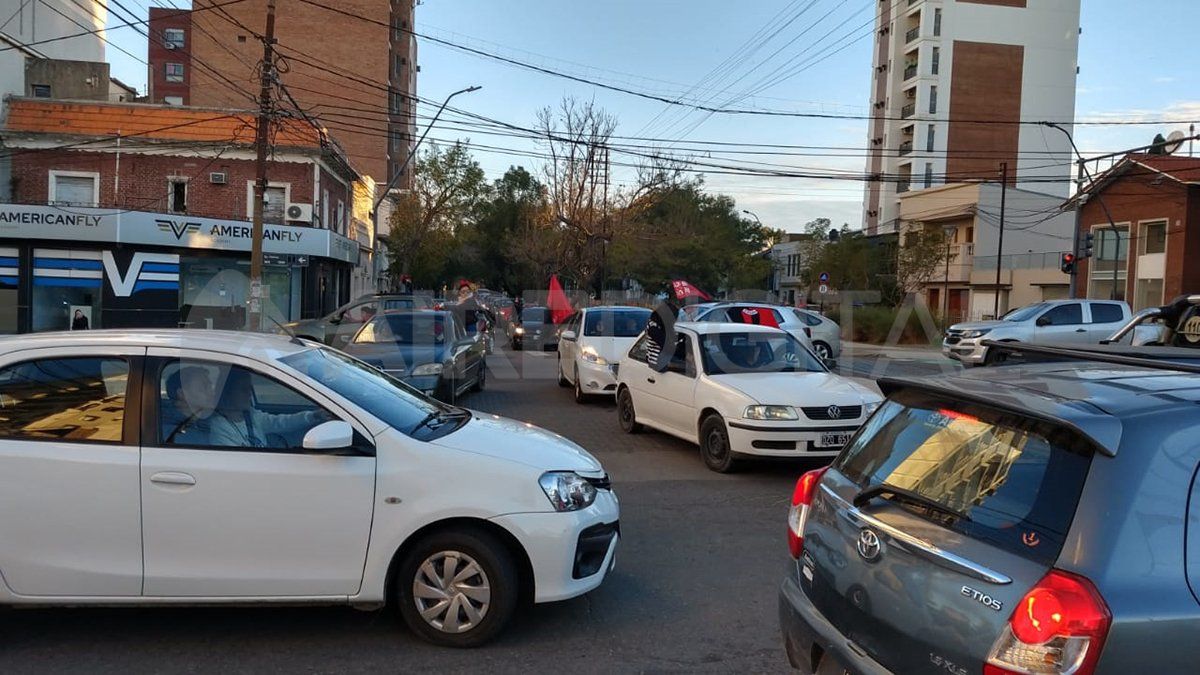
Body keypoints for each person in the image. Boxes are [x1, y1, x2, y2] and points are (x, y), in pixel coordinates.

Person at [208, 368, 330, 449]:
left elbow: (282, 422)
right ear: (228, 392)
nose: (249, 394)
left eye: (250, 389)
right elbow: (234, 462)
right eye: (243, 389)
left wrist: (314, 416)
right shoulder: (220, 427)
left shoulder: (251, 416)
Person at [160, 366, 214, 445]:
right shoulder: (167, 427)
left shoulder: (211, 420)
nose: (212, 392)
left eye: (211, 386)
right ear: (182, 394)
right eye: (204, 386)